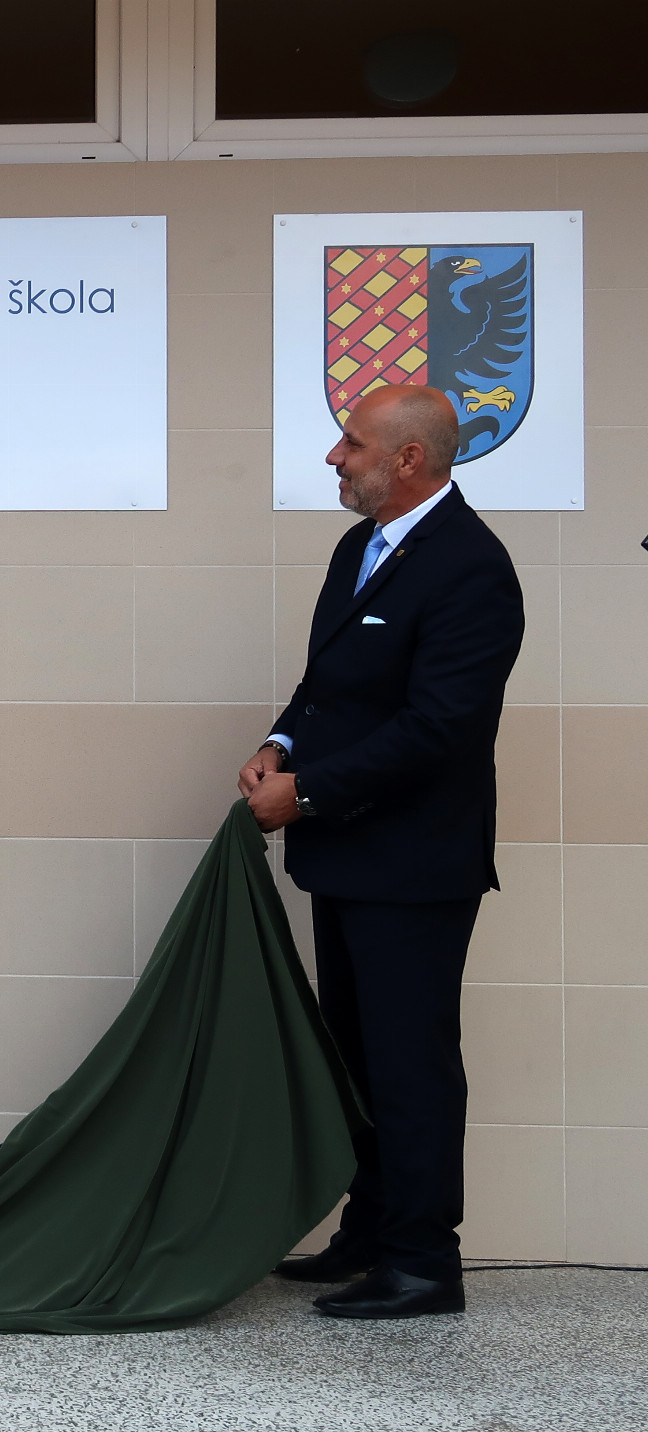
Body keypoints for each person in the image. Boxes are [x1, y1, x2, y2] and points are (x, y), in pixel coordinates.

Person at [239, 384, 523, 1320]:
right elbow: (328, 683)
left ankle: (424, 1262)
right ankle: (369, 1233)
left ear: (409, 459)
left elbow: (439, 728)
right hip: (347, 854)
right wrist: (282, 741)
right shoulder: (359, 547)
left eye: (352, 444)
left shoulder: (472, 568)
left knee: (410, 1063)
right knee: (356, 1056)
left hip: (414, 865)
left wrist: (305, 792)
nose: (335, 457)